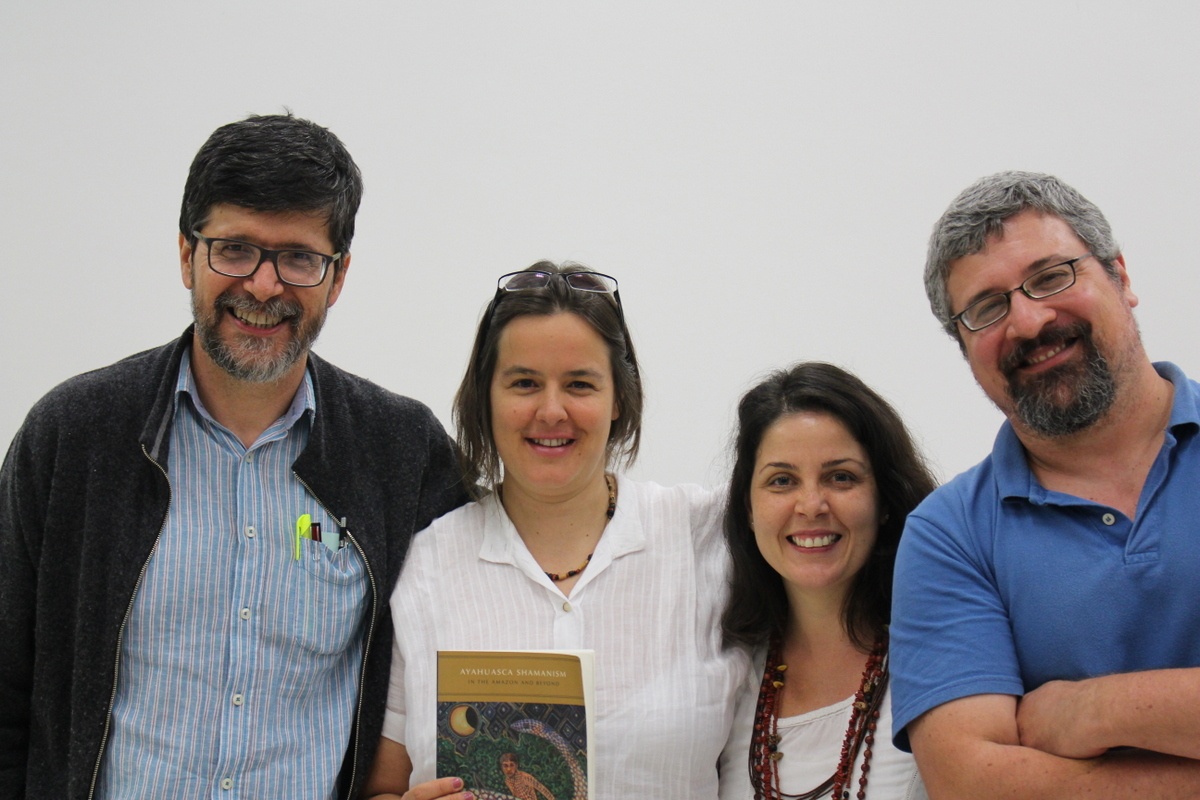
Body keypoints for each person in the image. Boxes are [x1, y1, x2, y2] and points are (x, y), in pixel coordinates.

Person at [0, 113, 466, 798]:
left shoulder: (403, 453)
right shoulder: (74, 436)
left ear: (336, 279)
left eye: (299, 258)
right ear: (187, 254)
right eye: (235, 249)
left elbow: (460, 648)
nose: (265, 285)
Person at [363, 262, 749, 800]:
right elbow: (380, 786)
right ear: (485, 399)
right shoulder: (425, 565)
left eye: (579, 384)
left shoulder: (706, 539)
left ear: (619, 399)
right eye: (524, 383)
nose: (551, 410)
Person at [890, 170, 1200, 798]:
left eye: (1051, 276)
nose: (1028, 321)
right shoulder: (947, 536)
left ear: (1121, 277)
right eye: (987, 309)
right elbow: (972, 783)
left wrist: (1091, 710)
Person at [717, 363, 936, 800]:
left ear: (884, 501)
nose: (812, 504)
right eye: (782, 480)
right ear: (748, 507)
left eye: (841, 477)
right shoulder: (724, 678)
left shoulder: (938, 660)